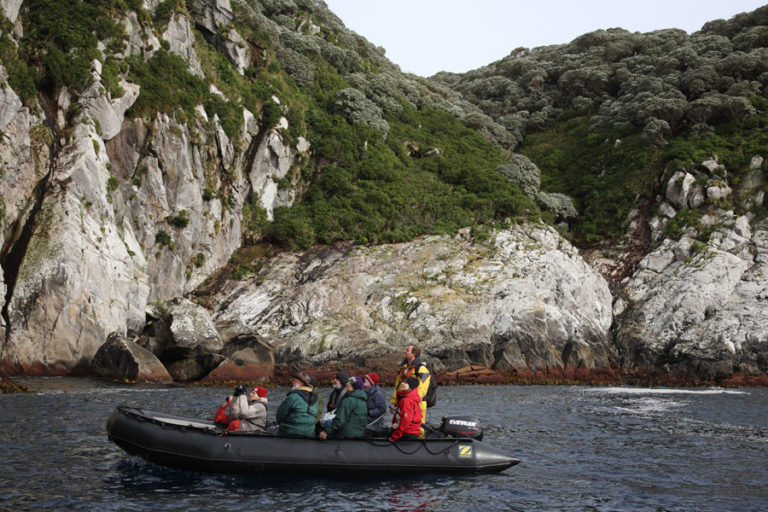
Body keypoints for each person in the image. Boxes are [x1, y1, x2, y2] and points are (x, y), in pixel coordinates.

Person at [392, 344, 432, 424]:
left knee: (418, 429)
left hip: (417, 405)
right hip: (403, 403)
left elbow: (422, 390)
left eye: (407, 350)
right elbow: (398, 386)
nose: (405, 352)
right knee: (400, 426)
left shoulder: (422, 370)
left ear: (413, 354)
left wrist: (411, 403)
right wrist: (394, 402)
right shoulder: (403, 369)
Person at [276, 372, 319, 437]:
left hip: (291, 431)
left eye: (294, 380)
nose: (292, 382)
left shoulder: (294, 396)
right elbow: (316, 414)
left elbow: (280, 415)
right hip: (310, 431)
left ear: (302, 383)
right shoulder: (315, 397)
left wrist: (280, 424)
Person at [389, 376, 422, 442]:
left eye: (405, 383)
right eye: (403, 382)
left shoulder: (406, 400)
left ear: (410, 387)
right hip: (411, 431)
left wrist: (395, 435)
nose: (402, 383)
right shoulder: (408, 398)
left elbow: (406, 420)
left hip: (408, 432)